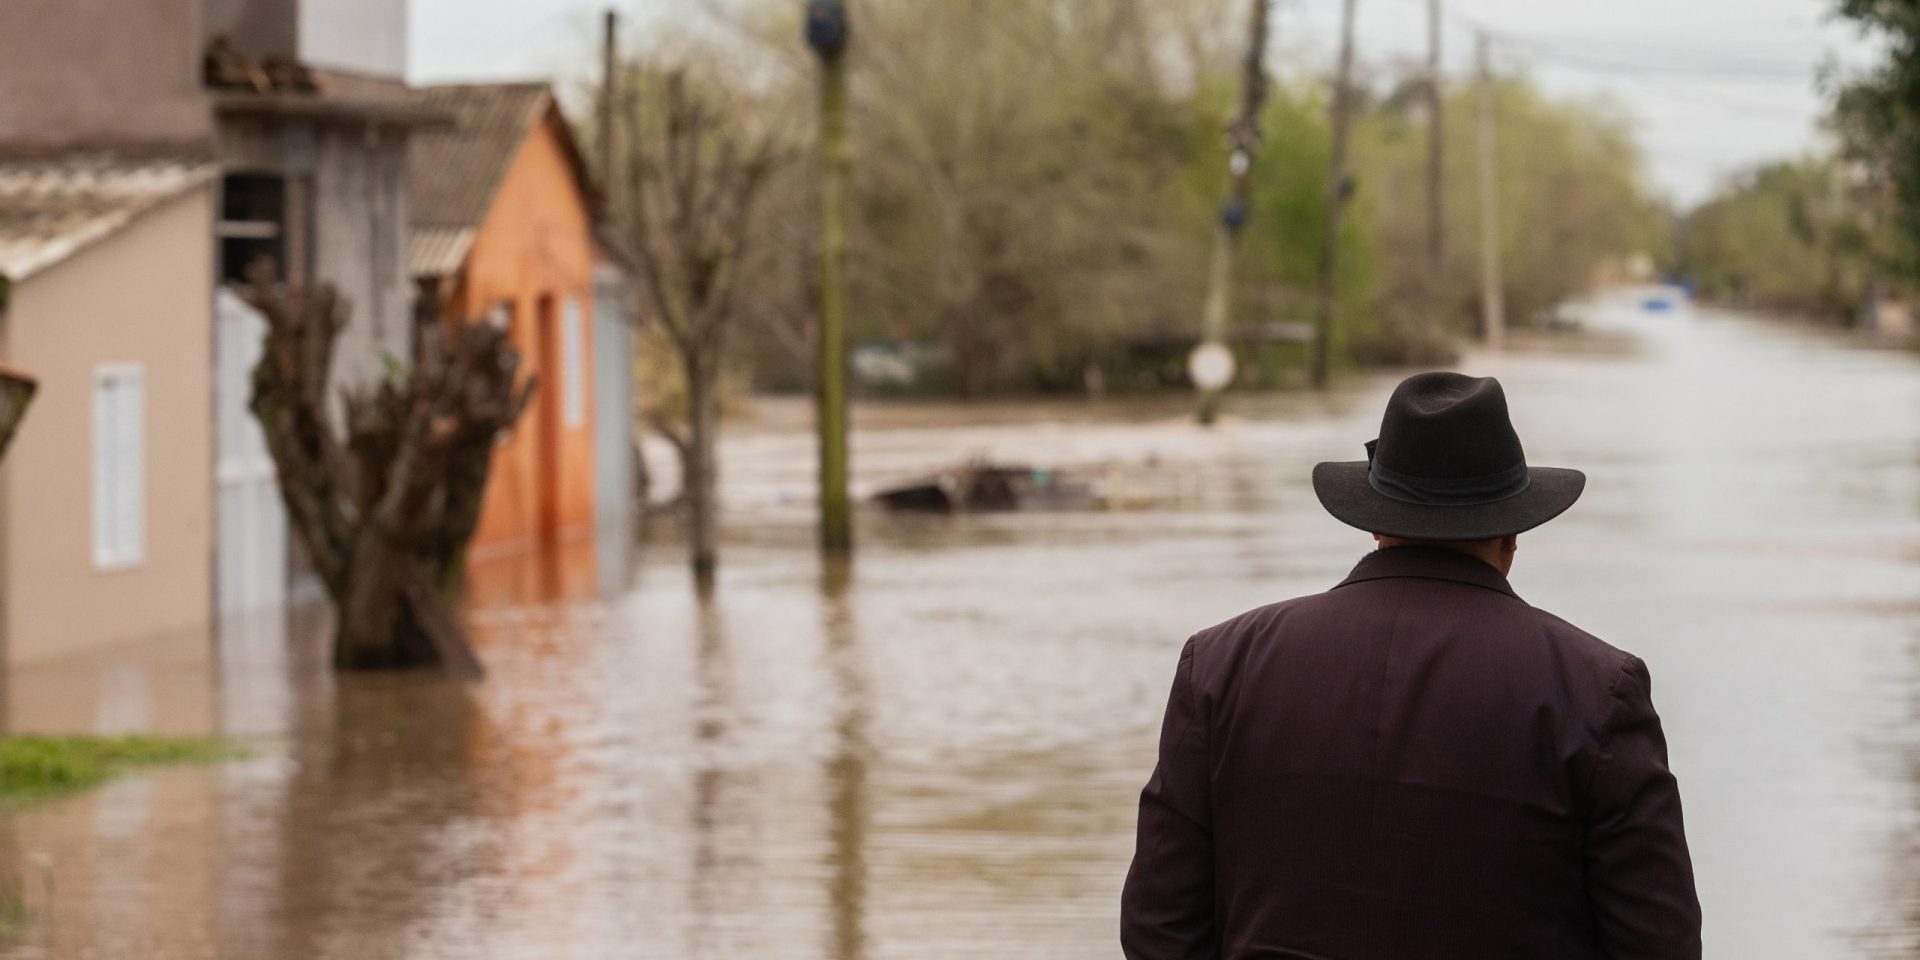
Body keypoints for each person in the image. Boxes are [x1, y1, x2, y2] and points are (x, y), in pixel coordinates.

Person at [1121, 372, 1701, 959]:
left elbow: (1159, 925)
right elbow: (1657, 943)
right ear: (1513, 534)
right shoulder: (1596, 689)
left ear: (1375, 521)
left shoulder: (1221, 666)